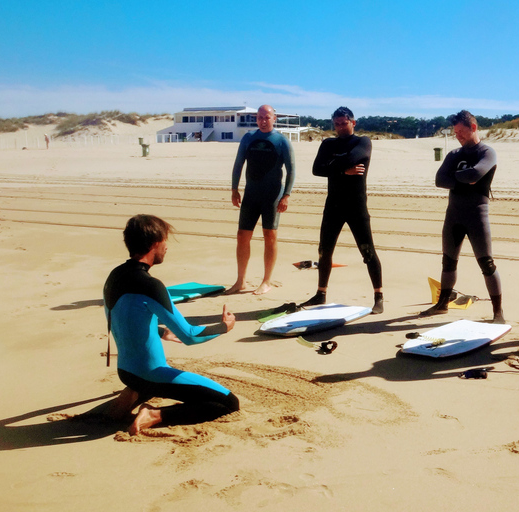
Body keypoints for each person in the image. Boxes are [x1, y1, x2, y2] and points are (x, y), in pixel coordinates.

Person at [103, 214, 240, 435]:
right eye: (165, 241)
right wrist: (224, 327)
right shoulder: (151, 286)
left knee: (151, 380)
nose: (167, 247)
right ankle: (153, 414)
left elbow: (121, 319)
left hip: (125, 371)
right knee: (228, 403)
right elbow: (190, 336)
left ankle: (134, 392)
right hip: (151, 373)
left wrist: (159, 331)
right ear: (155, 244)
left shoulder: (114, 276)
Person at [421, 110, 505, 323]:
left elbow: (475, 174)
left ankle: (498, 313)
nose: (458, 135)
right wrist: (465, 179)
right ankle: (442, 305)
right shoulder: (454, 155)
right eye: (455, 131)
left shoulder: (487, 152)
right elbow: (440, 180)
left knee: (487, 263)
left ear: (473, 127)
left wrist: (457, 177)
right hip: (454, 215)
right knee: (448, 262)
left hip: (477, 214)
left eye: (461, 131)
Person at [300, 107, 384, 314]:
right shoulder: (328, 143)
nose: (339, 127)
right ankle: (321, 293)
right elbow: (316, 169)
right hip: (334, 205)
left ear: (353, 123)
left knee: (367, 251)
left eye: (343, 123)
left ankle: (378, 296)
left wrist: (333, 165)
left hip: (356, 205)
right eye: (336, 124)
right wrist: (343, 170)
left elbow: (351, 158)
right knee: (324, 250)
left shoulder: (363, 141)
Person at [227, 104, 295, 295]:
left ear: (275, 119)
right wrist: (234, 189)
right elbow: (238, 164)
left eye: (267, 117)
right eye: (260, 117)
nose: (263, 121)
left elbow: (292, 170)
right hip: (251, 194)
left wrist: (286, 195)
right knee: (242, 236)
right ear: (256, 119)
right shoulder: (248, 138)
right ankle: (240, 281)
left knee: (270, 235)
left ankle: (266, 281)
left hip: (272, 195)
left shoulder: (282, 141)